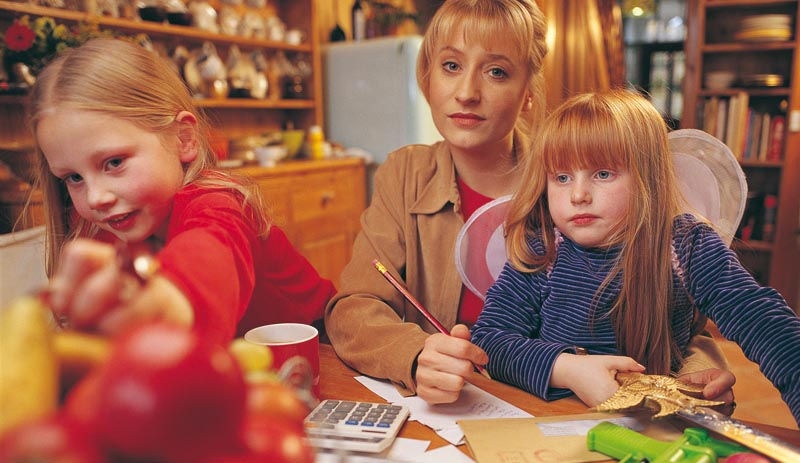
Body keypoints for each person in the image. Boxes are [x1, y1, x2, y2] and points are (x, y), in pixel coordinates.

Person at [325, 0, 734, 407]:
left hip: (563, 412)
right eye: (451, 66)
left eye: (497, 71)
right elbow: (354, 309)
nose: (466, 93)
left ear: (527, 93)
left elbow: (676, 306)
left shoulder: (573, 181)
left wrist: (697, 370)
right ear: (427, 76)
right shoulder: (403, 172)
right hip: (442, 411)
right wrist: (414, 355)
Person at [471, 90, 800, 423]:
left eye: (602, 174)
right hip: (549, 424)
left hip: (650, 427)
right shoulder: (543, 246)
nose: (578, 195)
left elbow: (768, 325)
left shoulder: (686, 244)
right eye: (562, 177)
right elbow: (489, 342)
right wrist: (567, 370)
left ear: (649, 178)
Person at [28, 38, 336, 345]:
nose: (96, 198)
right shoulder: (110, 228)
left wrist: (167, 301)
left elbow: (208, 253)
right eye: (73, 178)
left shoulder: (218, 203)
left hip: (325, 349)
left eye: (114, 162)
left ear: (183, 139)